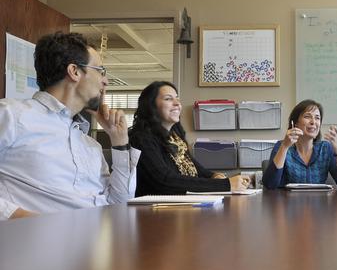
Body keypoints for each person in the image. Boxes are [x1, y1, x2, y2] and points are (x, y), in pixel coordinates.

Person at [0, 32, 140, 220]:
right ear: (74, 71)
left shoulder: (90, 145)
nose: (105, 81)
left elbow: (119, 203)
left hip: (96, 240)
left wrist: (119, 141)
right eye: (100, 70)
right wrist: (22, 218)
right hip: (38, 241)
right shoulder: (12, 115)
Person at [129, 81, 249, 196]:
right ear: (151, 106)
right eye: (168, 99)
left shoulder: (175, 136)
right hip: (154, 210)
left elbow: (195, 167)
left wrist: (213, 175)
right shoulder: (141, 138)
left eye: (177, 98)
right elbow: (164, 180)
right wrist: (225, 185)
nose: (177, 103)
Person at [262, 99, 337, 189]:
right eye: (307, 116)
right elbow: (270, 184)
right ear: (295, 123)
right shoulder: (281, 146)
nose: (313, 122)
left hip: (320, 203)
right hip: (290, 203)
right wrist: (285, 146)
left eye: (317, 118)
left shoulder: (325, 148)